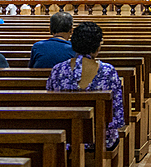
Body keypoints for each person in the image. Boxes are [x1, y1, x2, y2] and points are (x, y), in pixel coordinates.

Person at [47, 22, 125, 150]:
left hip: (65, 137)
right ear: (97, 46)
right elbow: (117, 116)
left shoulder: (58, 69)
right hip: (100, 139)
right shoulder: (107, 71)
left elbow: (50, 104)